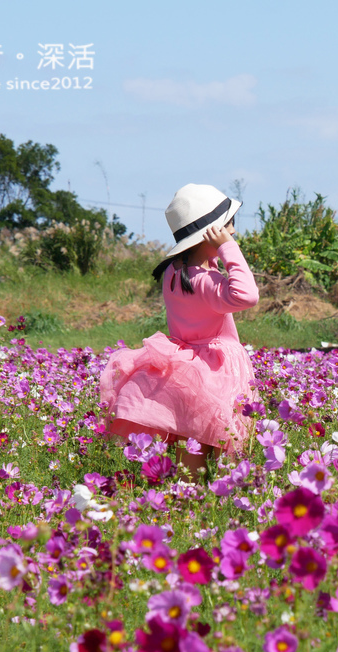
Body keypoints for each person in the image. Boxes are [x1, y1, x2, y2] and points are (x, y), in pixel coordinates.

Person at [99, 184, 259, 479]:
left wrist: (214, 254)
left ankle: (187, 501)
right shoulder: (206, 282)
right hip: (215, 369)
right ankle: (228, 498)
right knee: (226, 442)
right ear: (213, 232)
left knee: (192, 443)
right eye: (229, 226)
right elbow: (248, 295)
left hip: (183, 369)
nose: (233, 232)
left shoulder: (174, 274)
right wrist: (228, 249)